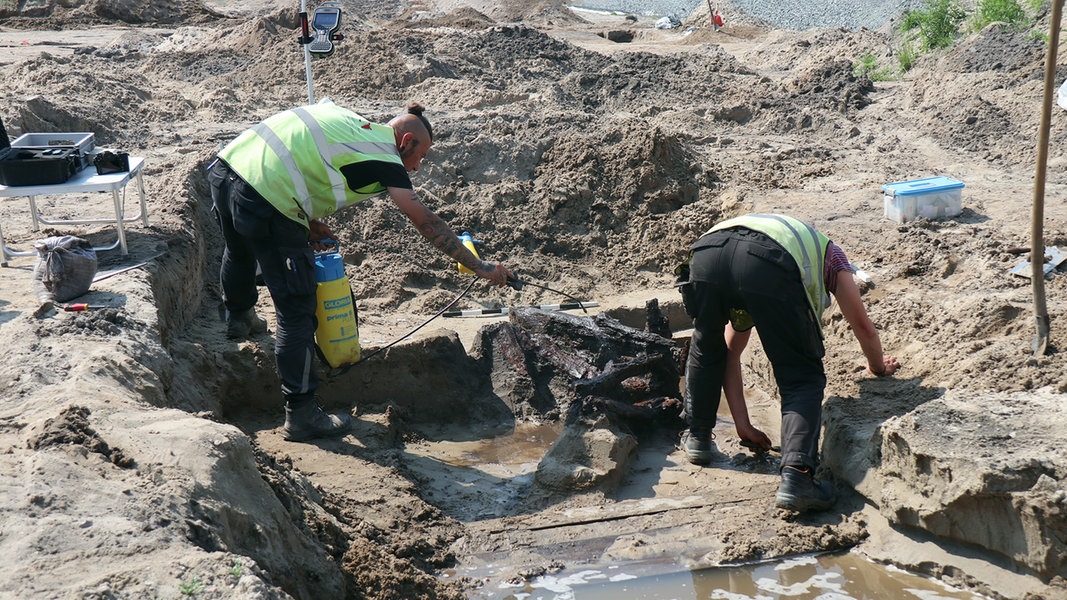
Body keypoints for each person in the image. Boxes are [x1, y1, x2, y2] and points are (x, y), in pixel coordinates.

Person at [208, 101, 513, 442]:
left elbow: (299, 154)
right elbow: (426, 222)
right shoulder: (386, 157)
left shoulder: (352, 124)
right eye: (421, 157)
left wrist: (307, 222)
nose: (417, 167)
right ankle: (302, 415)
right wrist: (481, 267)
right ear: (406, 141)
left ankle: (240, 317)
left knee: (239, 247)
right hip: (266, 195)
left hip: (227, 168)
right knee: (296, 312)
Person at [674, 213, 900, 512]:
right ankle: (798, 478)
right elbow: (863, 327)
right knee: (801, 376)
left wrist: (743, 425)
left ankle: (698, 437)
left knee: (706, 344)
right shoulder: (832, 256)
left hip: (706, 253)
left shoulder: (787, 238)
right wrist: (878, 368)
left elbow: (730, 353)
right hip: (764, 261)